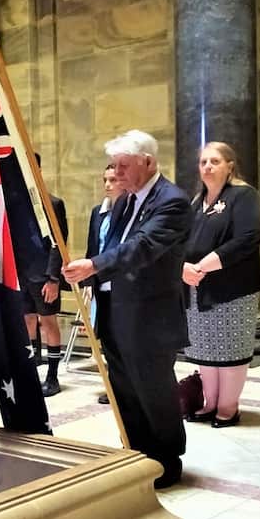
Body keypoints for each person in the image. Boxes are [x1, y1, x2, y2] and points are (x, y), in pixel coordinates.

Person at [63, 130, 190, 489]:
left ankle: (166, 460)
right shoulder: (124, 202)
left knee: (153, 390)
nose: (115, 173)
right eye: (114, 166)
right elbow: (111, 244)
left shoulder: (172, 201)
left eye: (123, 165)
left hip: (150, 317)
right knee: (124, 389)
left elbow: (142, 247)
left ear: (147, 162)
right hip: (115, 311)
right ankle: (137, 452)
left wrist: (94, 265)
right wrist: (86, 272)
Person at [181, 142, 260, 428]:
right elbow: (181, 241)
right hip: (197, 287)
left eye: (214, 161)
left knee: (229, 348)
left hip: (233, 288)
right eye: (203, 162)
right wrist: (183, 267)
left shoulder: (243, 196)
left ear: (230, 165)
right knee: (206, 348)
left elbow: (248, 237)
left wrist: (203, 266)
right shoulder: (196, 202)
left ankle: (229, 406)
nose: (207, 167)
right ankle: (210, 402)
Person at [24, 154, 69, 396]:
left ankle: (52, 376)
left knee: (48, 322)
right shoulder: (17, 206)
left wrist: (53, 278)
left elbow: (58, 244)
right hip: (23, 274)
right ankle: (32, 368)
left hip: (44, 275)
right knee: (28, 320)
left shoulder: (53, 204)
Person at [83, 163, 123, 405]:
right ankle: (112, 384)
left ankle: (125, 387)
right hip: (101, 285)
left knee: (123, 339)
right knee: (107, 339)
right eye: (105, 180)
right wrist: (88, 281)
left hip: (122, 286)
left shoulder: (131, 211)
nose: (108, 185)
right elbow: (92, 248)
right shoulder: (99, 212)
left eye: (113, 180)